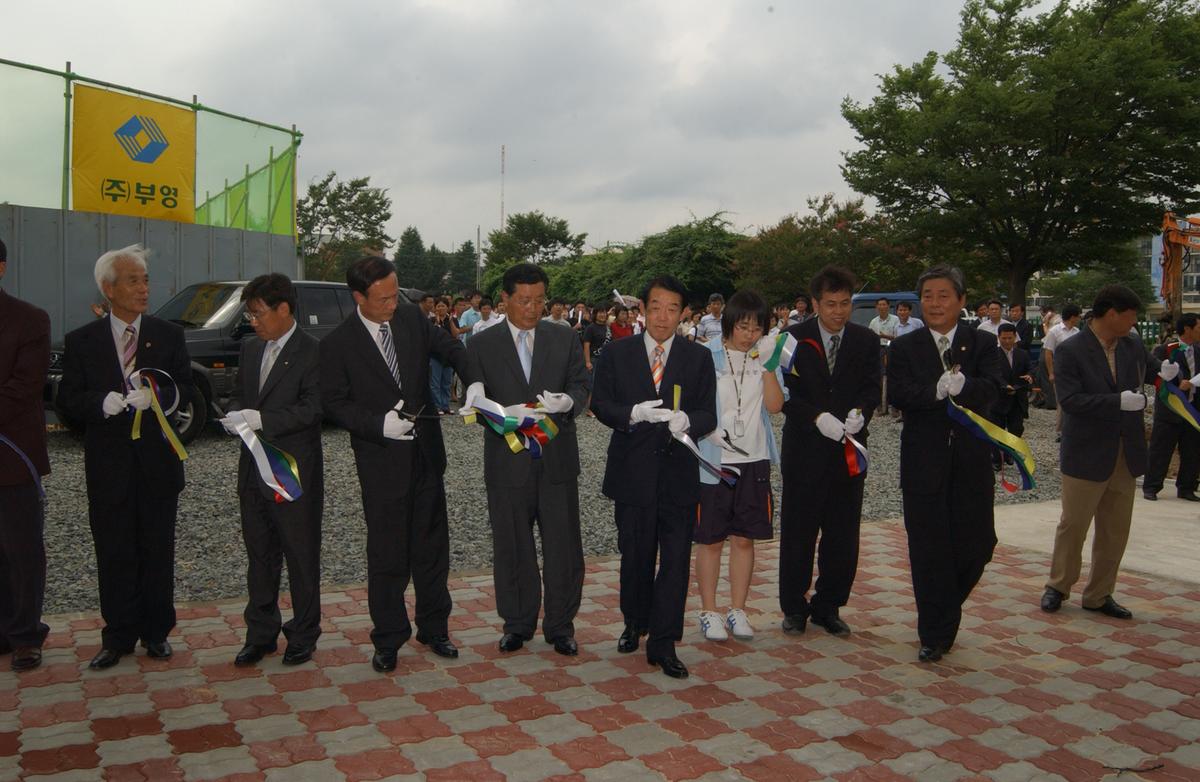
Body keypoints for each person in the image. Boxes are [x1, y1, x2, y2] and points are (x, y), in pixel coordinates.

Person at [320, 256, 471, 672]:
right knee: (387, 553)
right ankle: (388, 636)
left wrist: (473, 381)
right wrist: (375, 425)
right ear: (359, 297)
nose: (392, 303)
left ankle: (434, 626)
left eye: (395, 293)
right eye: (383, 298)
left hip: (425, 455)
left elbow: (452, 349)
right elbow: (332, 402)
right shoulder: (338, 343)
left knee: (431, 545)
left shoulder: (411, 319)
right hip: (381, 461)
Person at [58, 244, 193, 669]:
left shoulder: (168, 335)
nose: (143, 288)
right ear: (108, 288)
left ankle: (156, 632)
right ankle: (117, 635)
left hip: (157, 465)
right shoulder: (82, 341)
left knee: (157, 549)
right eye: (133, 280)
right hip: (109, 467)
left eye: (146, 279)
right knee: (114, 551)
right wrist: (102, 402)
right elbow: (67, 399)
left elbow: (185, 389)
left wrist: (158, 396)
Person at [591, 275, 717, 679]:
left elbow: (708, 414)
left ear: (684, 314)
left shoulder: (697, 358)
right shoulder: (618, 353)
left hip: (678, 473)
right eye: (656, 307)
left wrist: (689, 421)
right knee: (636, 555)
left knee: (677, 559)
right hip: (633, 471)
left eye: (672, 308)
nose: (663, 317)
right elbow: (601, 403)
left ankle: (664, 642)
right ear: (642, 309)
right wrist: (632, 414)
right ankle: (634, 621)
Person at [463, 264, 589, 655]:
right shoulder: (482, 344)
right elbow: (474, 402)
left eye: (539, 300)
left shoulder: (564, 337)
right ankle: (517, 623)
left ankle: (560, 625)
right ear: (504, 299)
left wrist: (568, 402)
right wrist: (491, 409)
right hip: (507, 463)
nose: (532, 309)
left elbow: (581, 385)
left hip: (556, 461)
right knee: (512, 545)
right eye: (523, 301)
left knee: (563, 545)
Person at [887, 264, 1004, 663]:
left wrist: (966, 387)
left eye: (943, 295)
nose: (935, 303)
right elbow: (900, 394)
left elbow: (994, 389)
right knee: (928, 548)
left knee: (978, 543)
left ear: (961, 300)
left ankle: (944, 609)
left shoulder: (982, 343)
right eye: (928, 296)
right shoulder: (906, 346)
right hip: (924, 461)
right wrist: (933, 393)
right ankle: (934, 632)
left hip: (971, 461)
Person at [1041, 285, 1170, 621]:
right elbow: (1069, 401)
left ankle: (1099, 594)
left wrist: (1169, 373)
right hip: (1086, 451)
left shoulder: (1131, 344)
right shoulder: (1071, 350)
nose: (1134, 322)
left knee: (1115, 529)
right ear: (1111, 313)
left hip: (1125, 453)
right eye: (1130, 316)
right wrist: (1117, 402)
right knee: (1074, 524)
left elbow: (1152, 366)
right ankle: (1058, 585)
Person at [221, 274, 324, 667]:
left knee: (300, 555)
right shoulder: (250, 348)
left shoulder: (312, 350)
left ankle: (303, 633)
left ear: (284, 309)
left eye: (259, 313)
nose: (254, 322)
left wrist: (263, 419)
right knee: (259, 556)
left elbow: (314, 408)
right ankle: (260, 633)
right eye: (249, 315)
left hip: (293, 471)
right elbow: (238, 394)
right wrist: (233, 414)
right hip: (252, 470)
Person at [778, 266, 880, 639]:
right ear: (815, 304)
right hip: (805, 450)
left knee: (842, 533)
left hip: (848, 451)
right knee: (798, 533)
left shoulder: (866, 340)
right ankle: (793, 607)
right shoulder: (791, 338)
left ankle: (829, 605)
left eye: (845, 304)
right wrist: (815, 417)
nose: (839, 312)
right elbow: (784, 393)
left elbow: (872, 388)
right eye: (831, 304)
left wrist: (862, 413)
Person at [693, 290, 783, 642]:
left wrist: (770, 368)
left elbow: (775, 407)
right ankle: (709, 610)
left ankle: (737, 609)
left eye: (756, 327)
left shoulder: (764, 358)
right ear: (728, 323)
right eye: (743, 326)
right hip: (715, 462)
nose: (749, 334)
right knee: (711, 540)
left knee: (745, 539)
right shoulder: (707, 356)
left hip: (754, 459)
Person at [0, 238, 52, 672]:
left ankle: (24, 635)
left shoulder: (29, 319)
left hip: (13, 457)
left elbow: (23, 386)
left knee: (21, 550)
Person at [1144, 314, 1200, 502]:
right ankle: (1152, 486)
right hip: (1170, 409)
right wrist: (1177, 384)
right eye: (1199, 327)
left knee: (1192, 450)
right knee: (1161, 449)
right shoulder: (1165, 350)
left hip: (1193, 410)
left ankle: (1187, 487)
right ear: (1188, 329)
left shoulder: (1198, 350)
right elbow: (1154, 376)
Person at [990, 323, 1033, 470]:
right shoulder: (993, 355)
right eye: (1004, 338)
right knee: (997, 430)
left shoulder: (1022, 354)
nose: (1007, 341)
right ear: (999, 337)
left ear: (1015, 337)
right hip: (998, 398)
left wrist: (1029, 376)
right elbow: (993, 374)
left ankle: (1009, 452)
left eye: (1010, 338)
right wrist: (1003, 385)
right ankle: (996, 458)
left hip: (1018, 398)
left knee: (1016, 428)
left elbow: (1030, 369)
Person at [1043, 304, 1083, 438]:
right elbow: (1048, 353)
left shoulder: (1077, 332)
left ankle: (1072, 427)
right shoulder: (1054, 331)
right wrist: (1051, 372)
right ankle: (1061, 430)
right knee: (1062, 400)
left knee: (1075, 398)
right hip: (1060, 370)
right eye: (1078, 316)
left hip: (1074, 371)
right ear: (1072, 317)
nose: (1079, 319)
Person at [868, 298, 899, 413]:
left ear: (888, 306)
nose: (882, 307)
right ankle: (880, 404)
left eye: (884, 304)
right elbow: (870, 337)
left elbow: (898, 336)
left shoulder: (896, 320)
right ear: (876, 307)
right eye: (879, 305)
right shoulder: (873, 321)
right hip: (878, 349)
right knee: (879, 377)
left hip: (892, 348)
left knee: (894, 376)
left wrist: (885, 336)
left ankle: (895, 405)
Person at [429, 298, 459, 414]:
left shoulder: (452, 320)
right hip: (436, 355)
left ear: (448, 308)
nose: (441, 308)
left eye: (443, 306)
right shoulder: (431, 320)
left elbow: (456, 334)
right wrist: (436, 322)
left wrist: (450, 321)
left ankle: (445, 405)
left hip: (449, 355)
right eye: (439, 306)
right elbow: (431, 335)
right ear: (435, 308)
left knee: (447, 382)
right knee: (435, 382)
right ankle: (437, 406)